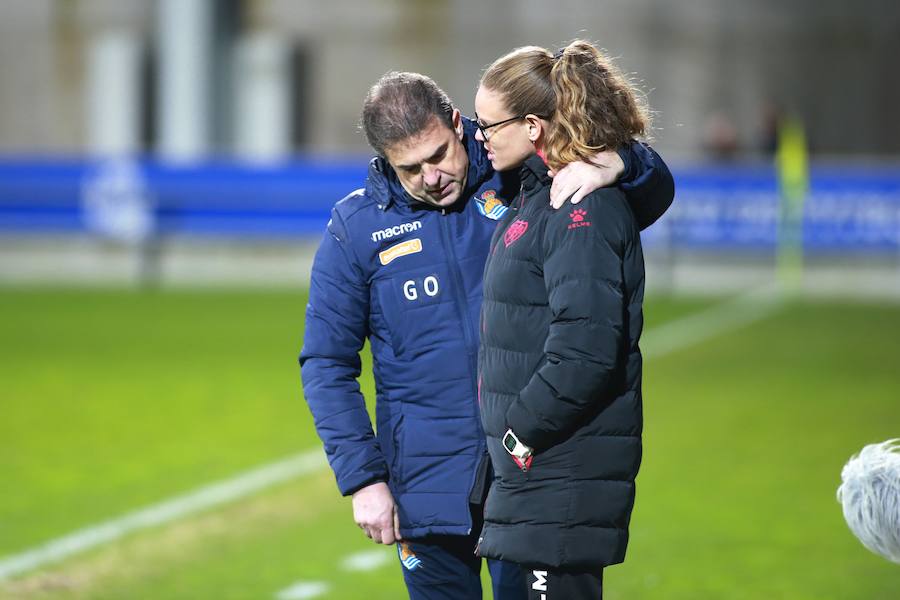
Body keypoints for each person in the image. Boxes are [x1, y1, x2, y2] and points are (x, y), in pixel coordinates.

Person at [299, 70, 673, 599]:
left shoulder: (520, 172)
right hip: (425, 489)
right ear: (384, 161)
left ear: (459, 123)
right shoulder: (355, 228)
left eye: (438, 155)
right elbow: (325, 363)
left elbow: (648, 195)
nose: (431, 176)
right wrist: (363, 479)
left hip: (529, 478)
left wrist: (623, 162)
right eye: (410, 169)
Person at [474, 41, 652, 599]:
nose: (480, 137)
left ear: (532, 126)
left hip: (553, 478)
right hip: (532, 486)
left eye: (487, 125)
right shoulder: (535, 192)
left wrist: (516, 431)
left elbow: (585, 351)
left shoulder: (584, 207)